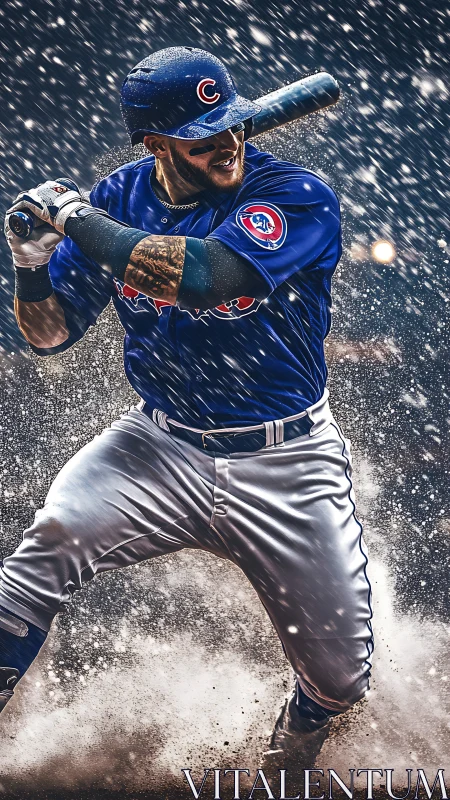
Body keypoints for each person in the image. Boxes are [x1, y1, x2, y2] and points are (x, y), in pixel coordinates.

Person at [1, 47, 372, 762]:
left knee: (340, 677)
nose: (231, 143)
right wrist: (29, 265)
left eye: (233, 123)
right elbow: (48, 337)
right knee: (38, 558)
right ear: (157, 144)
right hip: (159, 446)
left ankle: (292, 750)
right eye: (206, 136)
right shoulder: (120, 200)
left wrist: (75, 217)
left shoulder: (295, 193)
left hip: (285, 456)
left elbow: (203, 279)